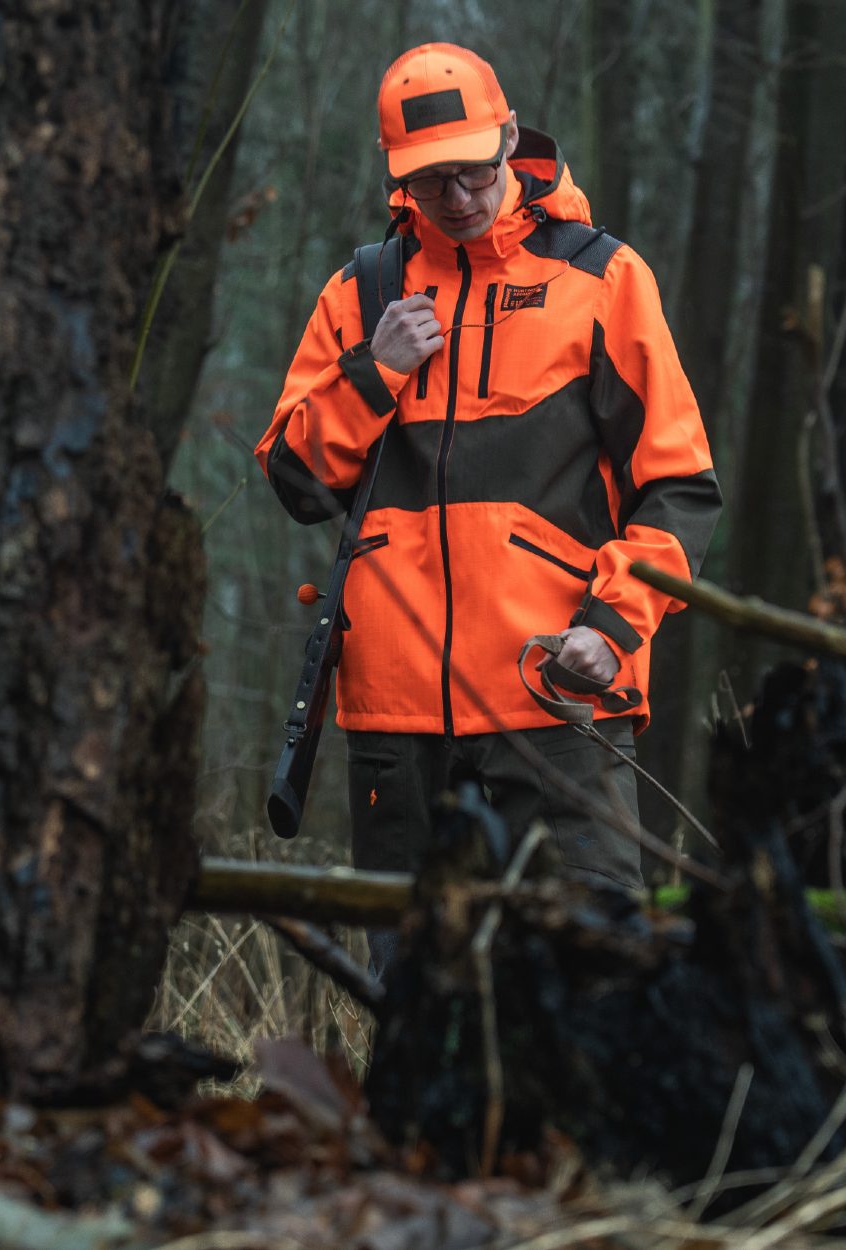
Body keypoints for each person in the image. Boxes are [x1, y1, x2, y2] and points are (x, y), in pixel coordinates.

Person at [255, 43, 721, 967]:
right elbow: (295, 482)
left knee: (594, 971)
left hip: (557, 696)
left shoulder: (602, 279)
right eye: (431, 181)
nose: (458, 196)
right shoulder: (361, 294)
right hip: (394, 719)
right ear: (397, 177)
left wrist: (615, 627)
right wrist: (375, 372)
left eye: (472, 169)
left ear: (510, 137)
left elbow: (678, 485)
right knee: (412, 992)